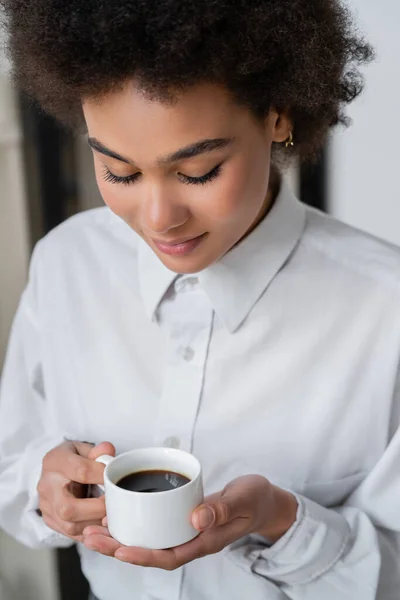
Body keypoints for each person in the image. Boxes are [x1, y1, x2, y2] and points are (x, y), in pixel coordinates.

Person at [0, 1, 398, 599]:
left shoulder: (384, 307)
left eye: (200, 171)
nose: (159, 219)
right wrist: (47, 487)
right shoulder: (67, 264)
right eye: (120, 172)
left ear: (278, 116)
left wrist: (283, 523)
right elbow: (13, 466)